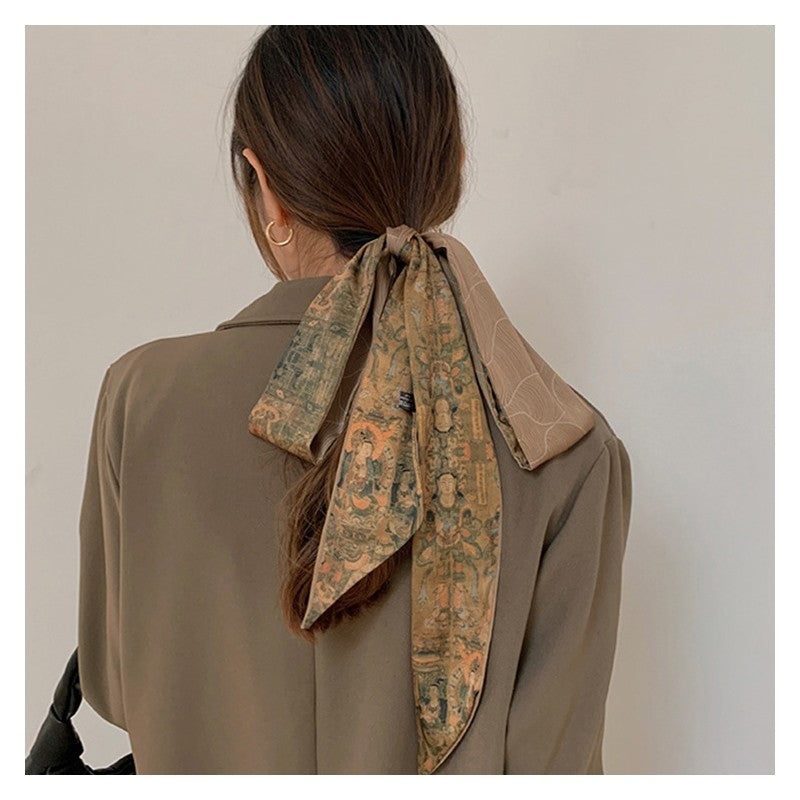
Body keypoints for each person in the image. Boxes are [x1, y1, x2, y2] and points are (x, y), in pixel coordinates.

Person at [76, 25, 633, 775]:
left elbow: (116, 688)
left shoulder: (140, 399)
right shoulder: (566, 448)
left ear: (264, 187)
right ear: (451, 174)